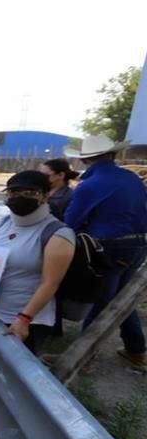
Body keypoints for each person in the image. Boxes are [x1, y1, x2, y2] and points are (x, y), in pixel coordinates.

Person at [0, 170, 75, 353]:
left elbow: (50, 283)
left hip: (25, 320)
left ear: (45, 196)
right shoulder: (5, 222)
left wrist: (24, 318)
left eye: (29, 193)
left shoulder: (58, 234)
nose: (19, 197)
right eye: (13, 192)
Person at [65, 135, 147, 370]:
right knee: (121, 298)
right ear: (112, 155)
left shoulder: (89, 185)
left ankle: (82, 359)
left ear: (85, 160)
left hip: (110, 248)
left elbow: (70, 222)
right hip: (139, 244)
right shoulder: (131, 178)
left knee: (101, 301)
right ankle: (136, 350)